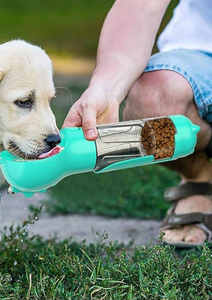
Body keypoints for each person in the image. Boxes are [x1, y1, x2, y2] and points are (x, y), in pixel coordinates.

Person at [63, 0, 212, 247]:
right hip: (202, 50)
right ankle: (200, 179)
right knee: (154, 102)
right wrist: (106, 89)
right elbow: (140, 6)